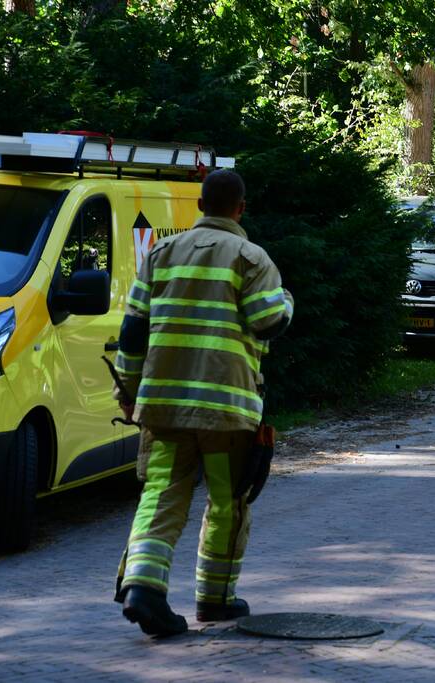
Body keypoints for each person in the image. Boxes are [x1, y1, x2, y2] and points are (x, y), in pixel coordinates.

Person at [112, 170, 293, 637]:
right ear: (241, 208)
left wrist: (130, 393)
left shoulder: (161, 254)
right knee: (227, 501)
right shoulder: (251, 258)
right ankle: (215, 599)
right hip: (224, 412)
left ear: (199, 205)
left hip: (164, 408)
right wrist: (287, 300)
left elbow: (133, 332)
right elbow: (269, 319)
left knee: (162, 494)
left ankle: (143, 588)